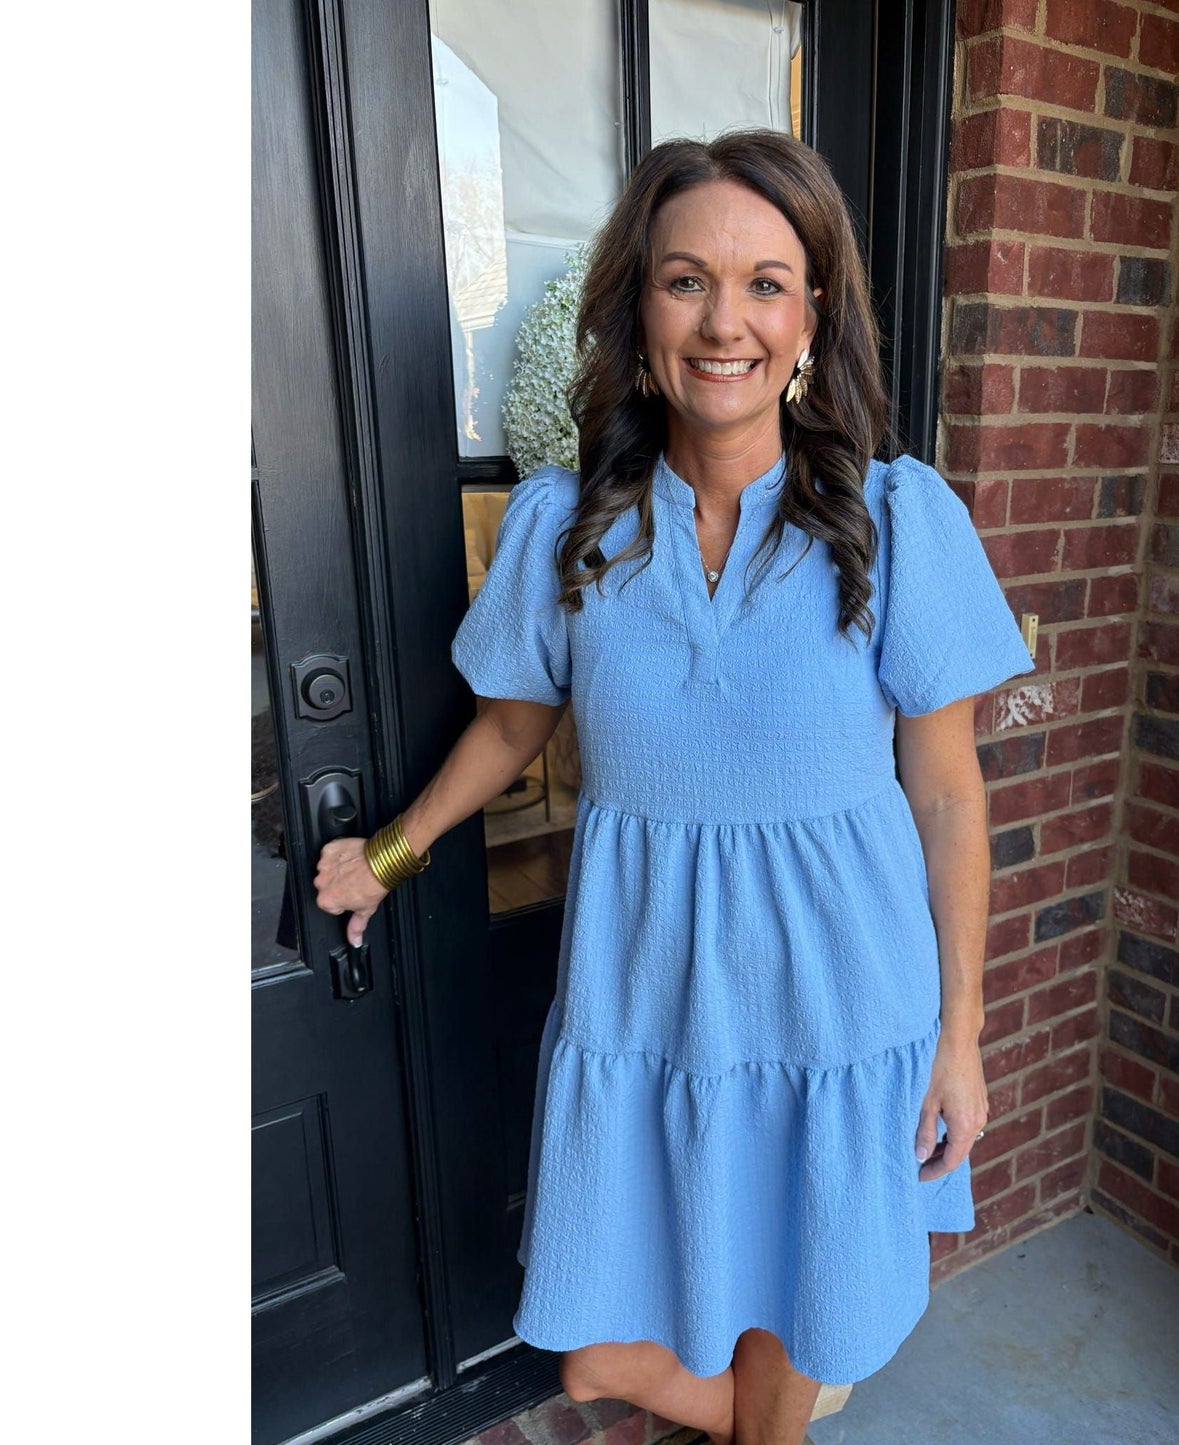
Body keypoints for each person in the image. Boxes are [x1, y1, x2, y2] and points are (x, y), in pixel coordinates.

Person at [314, 128, 1034, 1445]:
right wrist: (391, 853)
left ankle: (777, 1420)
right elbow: (511, 722)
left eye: (766, 282)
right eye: (686, 278)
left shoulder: (895, 516)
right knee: (595, 1359)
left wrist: (961, 1034)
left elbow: (945, 791)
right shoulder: (565, 522)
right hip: (648, 1000)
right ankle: (782, 1414)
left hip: (838, 1001)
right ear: (636, 305)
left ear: (812, 314)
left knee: (788, 1316)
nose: (726, 320)